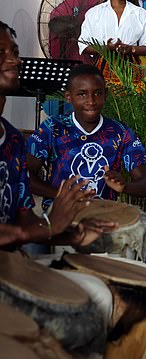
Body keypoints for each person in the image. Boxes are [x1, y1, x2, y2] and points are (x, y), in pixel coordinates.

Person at [26, 64, 146, 275]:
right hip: (61, 213)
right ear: (69, 97)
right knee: (32, 255)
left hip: (108, 215)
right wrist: (62, 195)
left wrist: (125, 186)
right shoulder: (53, 128)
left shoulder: (120, 132)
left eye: (97, 93)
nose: (91, 101)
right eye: (82, 94)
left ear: (106, 94)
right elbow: (26, 176)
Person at [0, 21, 111, 250]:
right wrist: (54, 213)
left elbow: (27, 220)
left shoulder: (13, 140)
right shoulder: (51, 128)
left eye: (15, 52)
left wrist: (72, 235)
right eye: (1, 53)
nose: (15, 60)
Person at [78, 0, 146, 62]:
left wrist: (131, 49)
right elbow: (83, 46)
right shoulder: (94, 13)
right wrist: (106, 48)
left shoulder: (140, 13)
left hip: (130, 71)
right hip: (100, 71)